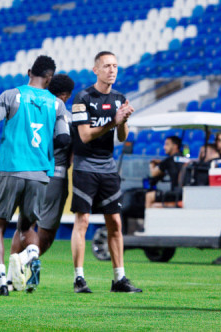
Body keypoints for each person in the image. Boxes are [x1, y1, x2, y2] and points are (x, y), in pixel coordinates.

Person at [0, 57, 70, 296]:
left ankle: (1, 283)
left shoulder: (12, 95)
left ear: (29, 71)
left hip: (11, 169)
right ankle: (32, 255)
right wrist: (46, 153)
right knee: (28, 226)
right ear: (50, 78)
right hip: (40, 173)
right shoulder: (57, 105)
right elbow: (64, 140)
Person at [69, 51, 142, 294]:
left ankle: (119, 279)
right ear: (96, 70)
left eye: (115, 66)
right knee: (83, 221)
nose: (112, 70)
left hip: (108, 166)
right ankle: (79, 278)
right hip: (85, 166)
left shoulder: (121, 98)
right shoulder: (83, 98)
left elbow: (121, 137)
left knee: (115, 223)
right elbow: (85, 135)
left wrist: (122, 121)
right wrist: (113, 120)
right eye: (107, 66)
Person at [7, 74, 75, 268]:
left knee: (25, 226)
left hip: (28, 172)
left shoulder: (30, 111)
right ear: (64, 95)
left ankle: (11, 275)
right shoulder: (67, 118)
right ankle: (21, 262)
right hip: (55, 176)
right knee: (46, 233)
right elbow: (73, 152)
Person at [144, 136, 187, 208]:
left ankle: (147, 218)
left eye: (167, 144)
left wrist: (151, 164)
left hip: (175, 194)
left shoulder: (169, 160)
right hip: (185, 193)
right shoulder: (185, 159)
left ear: (175, 146)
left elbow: (153, 173)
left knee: (149, 196)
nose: (164, 147)